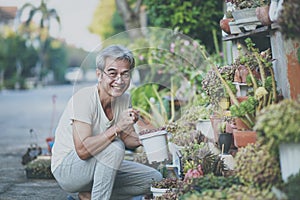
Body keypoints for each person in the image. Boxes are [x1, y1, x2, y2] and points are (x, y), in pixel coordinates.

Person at [51, 45, 162, 200]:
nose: (119, 80)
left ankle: (87, 196)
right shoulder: (84, 98)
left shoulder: (124, 99)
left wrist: (151, 137)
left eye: (125, 74)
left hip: (100, 164)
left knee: (154, 179)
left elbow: (127, 139)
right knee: (115, 147)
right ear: (99, 74)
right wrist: (117, 127)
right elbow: (82, 151)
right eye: (112, 73)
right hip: (68, 169)